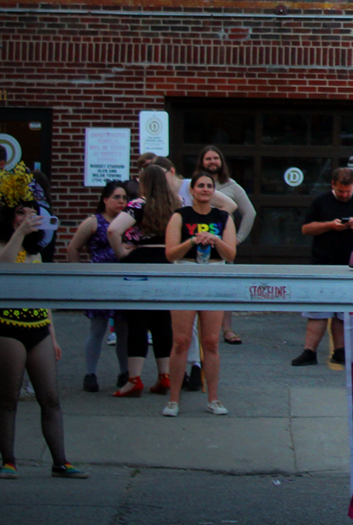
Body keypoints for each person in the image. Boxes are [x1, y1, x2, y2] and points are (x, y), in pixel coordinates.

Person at [0, 167, 87, 479]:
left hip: (38, 327)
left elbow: (42, 297)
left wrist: (52, 336)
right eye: (19, 213)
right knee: (9, 398)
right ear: (7, 216)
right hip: (6, 328)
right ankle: (8, 460)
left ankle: (60, 460)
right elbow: (0, 275)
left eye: (30, 212)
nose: (25, 217)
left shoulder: (35, 253)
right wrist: (19, 233)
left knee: (51, 397)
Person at [162, 173, 236, 417]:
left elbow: (230, 254)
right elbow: (170, 254)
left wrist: (214, 239)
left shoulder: (223, 217)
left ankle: (213, 399)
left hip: (213, 276)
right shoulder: (179, 216)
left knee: (211, 341)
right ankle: (173, 400)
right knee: (181, 341)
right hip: (185, 276)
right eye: (200, 186)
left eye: (209, 186)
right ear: (191, 190)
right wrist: (192, 241)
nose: (205, 189)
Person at [106, 165, 175, 396]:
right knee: (163, 320)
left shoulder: (137, 205)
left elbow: (113, 231)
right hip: (167, 260)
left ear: (144, 183)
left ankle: (134, 379)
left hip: (140, 259)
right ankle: (164, 377)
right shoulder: (176, 205)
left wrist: (123, 254)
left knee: (138, 321)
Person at [292, 168, 353, 367]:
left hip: (352, 265)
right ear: (333, 184)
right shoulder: (320, 202)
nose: (345, 195)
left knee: (343, 312)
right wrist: (329, 226)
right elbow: (306, 229)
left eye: (348, 191)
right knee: (317, 311)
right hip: (322, 263)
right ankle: (309, 351)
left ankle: (340, 351)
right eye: (341, 191)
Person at [62, 180, 130, 392]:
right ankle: (90, 373)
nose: (121, 201)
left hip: (122, 281)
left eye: (124, 198)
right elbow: (73, 248)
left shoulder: (128, 222)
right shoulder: (93, 222)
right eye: (116, 197)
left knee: (123, 330)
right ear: (105, 199)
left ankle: (125, 372)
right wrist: (80, 276)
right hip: (99, 281)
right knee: (98, 328)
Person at [196, 145, 253, 346]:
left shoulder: (232, 187)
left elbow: (250, 213)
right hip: (196, 246)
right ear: (201, 162)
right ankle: (197, 329)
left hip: (221, 246)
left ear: (221, 162)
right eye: (208, 159)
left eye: (216, 158)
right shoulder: (194, 184)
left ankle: (227, 329)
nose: (212, 162)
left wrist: (237, 239)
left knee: (224, 287)